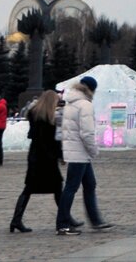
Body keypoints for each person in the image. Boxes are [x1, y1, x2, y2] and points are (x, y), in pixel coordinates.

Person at [56, 76, 113, 235]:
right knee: (71, 187)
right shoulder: (85, 105)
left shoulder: (71, 103)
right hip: (80, 152)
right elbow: (87, 133)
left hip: (75, 151)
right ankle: (62, 224)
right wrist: (94, 150)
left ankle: (95, 220)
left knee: (89, 184)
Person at [10, 90, 63, 233]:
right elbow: (54, 140)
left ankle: (16, 220)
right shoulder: (50, 118)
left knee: (29, 189)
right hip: (47, 157)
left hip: (35, 156)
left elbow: (34, 136)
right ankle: (65, 217)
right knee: (58, 187)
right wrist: (60, 155)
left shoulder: (34, 115)